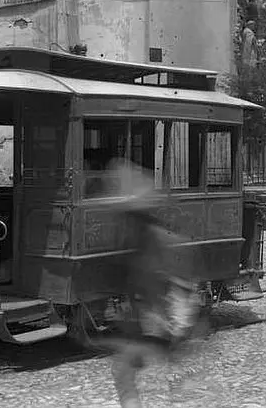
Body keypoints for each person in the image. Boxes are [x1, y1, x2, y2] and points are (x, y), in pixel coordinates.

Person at [106, 161, 201, 408]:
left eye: (129, 216)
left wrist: (175, 332)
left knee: (134, 377)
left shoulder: (159, 242)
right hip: (150, 329)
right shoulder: (139, 242)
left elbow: (181, 287)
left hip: (164, 331)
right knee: (125, 374)